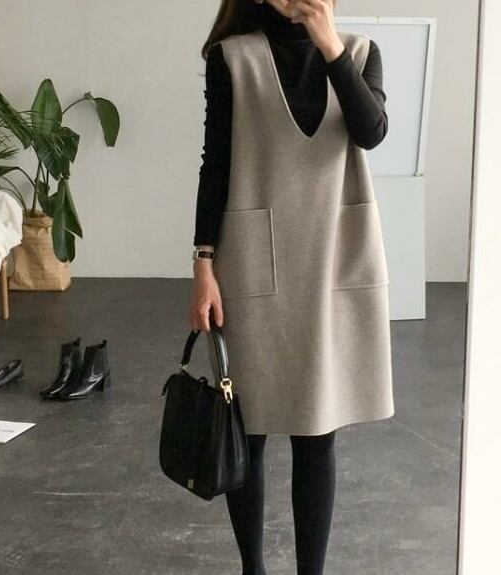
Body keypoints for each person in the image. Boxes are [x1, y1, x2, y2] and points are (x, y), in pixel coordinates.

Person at [189, 1, 395, 574]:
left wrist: (329, 44)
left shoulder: (359, 53)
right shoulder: (232, 59)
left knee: (318, 431)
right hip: (252, 260)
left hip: (334, 262)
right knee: (248, 426)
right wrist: (203, 264)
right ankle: (253, 569)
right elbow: (215, 163)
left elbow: (372, 132)